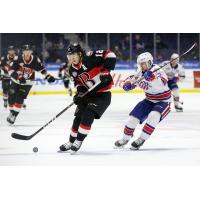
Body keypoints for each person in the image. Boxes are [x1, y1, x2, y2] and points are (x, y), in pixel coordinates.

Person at [59, 43, 116, 153]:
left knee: (88, 115)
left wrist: (106, 70)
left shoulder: (90, 57)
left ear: (80, 54)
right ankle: (71, 142)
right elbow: (79, 84)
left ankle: (78, 141)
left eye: (73, 55)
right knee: (77, 118)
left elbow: (110, 54)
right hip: (88, 94)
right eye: (69, 55)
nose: (71, 58)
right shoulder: (72, 70)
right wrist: (78, 94)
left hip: (102, 95)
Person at [115, 52, 171, 150]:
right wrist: (127, 84)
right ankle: (125, 139)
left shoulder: (158, 70)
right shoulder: (140, 71)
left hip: (163, 101)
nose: (141, 65)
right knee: (133, 118)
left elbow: (161, 85)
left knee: (154, 116)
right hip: (149, 100)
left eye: (143, 63)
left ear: (149, 62)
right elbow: (132, 78)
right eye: (140, 64)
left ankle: (141, 139)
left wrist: (152, 79)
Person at [6, 44, 55, 125]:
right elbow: (11, 70)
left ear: (31, 51)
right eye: (26, 51)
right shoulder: (17, 58)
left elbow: (42, 69)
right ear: (23, 51)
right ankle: (12, 112)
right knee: (11, 98)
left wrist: (48, 76)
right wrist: (19, 77)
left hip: (28, 82)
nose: (27, 52)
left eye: (29, 51)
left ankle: (14, 115)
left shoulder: (35, 59)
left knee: (20, 98)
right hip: (16, 81)